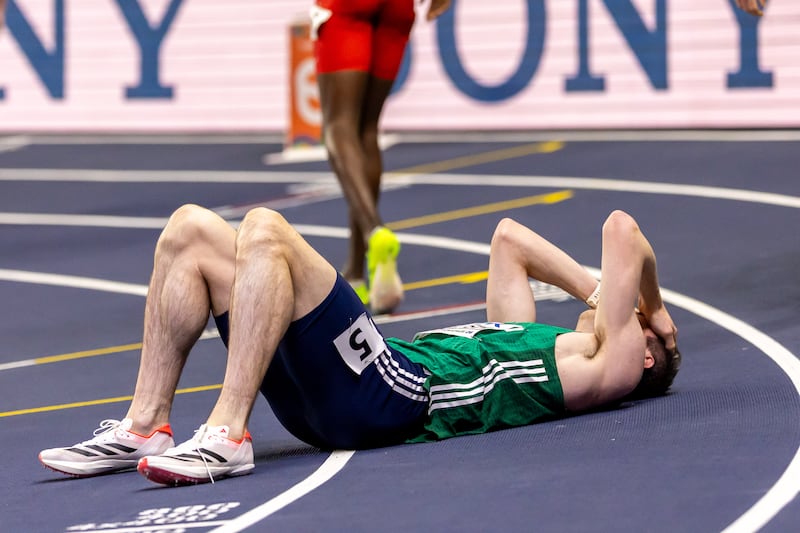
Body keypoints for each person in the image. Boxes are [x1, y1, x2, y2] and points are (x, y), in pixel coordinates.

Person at [39, 204, 679, 486]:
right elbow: (510, 239)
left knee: (266, 229)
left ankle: (229, 434)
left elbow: (623, 232)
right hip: (345, 389)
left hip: (396, 394)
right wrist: (593, 296)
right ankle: (146, 427)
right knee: (190, 232)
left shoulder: (613, 367)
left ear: (646, 351)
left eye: (637, 323)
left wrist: (654, 303)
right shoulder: (535, 338)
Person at [310, 0, 451, 314]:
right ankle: (358, 272)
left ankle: (375, 230)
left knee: (338, 126)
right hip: (398, 8)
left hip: (348, 8)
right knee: (367, 131)